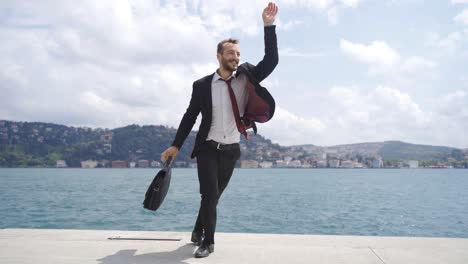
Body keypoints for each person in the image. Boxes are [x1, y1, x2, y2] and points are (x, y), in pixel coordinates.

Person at [161, 2, 279, 258]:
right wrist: (175, 145)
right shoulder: (202, 85)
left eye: (238, 54)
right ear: (219, 56)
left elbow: (271, 60)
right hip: (207, 148)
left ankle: (197, 229)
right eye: (231, 54)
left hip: (231, 150)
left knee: (214, 197)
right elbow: (189, 117)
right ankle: (208, 242)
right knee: (209, 193)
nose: (235, 57)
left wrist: (268, 27)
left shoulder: (246, 77)